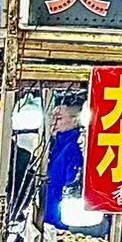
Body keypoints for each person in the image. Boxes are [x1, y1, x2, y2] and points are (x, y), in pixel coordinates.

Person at [40, 95, 85, 229]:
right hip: (48, 220)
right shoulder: (56, 146)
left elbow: (72, 187)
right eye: (52, 117)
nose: (53, 122)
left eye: (58, 118)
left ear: (75, 121)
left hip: (63, 223)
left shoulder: (76, 148)